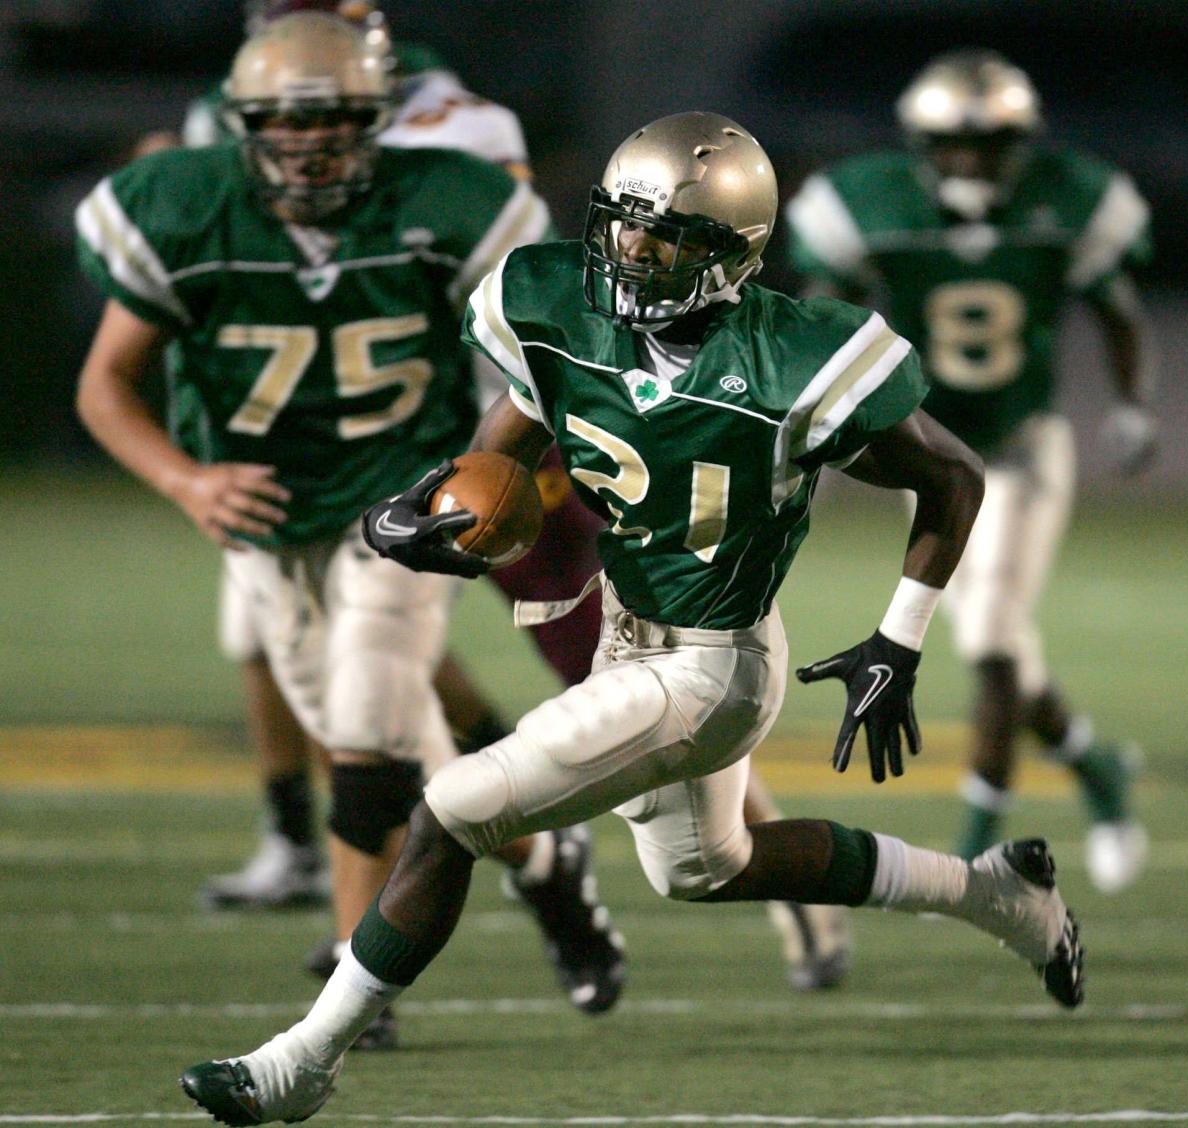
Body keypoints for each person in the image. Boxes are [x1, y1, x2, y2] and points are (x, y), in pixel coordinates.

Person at [180, 111, 1085, 1126]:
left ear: (730, 254)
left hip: (712, 668)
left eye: (664, 237)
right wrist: (429, 509)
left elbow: (954, 476)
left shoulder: (798, 358)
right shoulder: (558, 311)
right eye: (621, 225)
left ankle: (304, 1061)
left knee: (451, 812)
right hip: (630, 631)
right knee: (708, 868)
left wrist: (901, 637)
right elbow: (499, 457)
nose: (631, 252)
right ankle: (996, 893)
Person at [165, 0, 852, 989]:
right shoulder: (233, 118)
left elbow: (543, 289)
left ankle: (780, 892)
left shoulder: (457, 125)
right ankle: (504, 837)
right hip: (340, 452)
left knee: (606, 685)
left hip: (501, 443)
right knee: (378, 677)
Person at [74, 12, 627, 1048]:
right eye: (287, 124)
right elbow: (106, 386)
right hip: (267, 511)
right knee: (384, 729)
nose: (311, 145)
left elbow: (533, 350)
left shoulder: (448, 201)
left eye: (334, 122)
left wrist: (481, 468)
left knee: (370, 723)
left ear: (377, 121)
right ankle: (549, 864)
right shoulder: (183, 207)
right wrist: (189, 483)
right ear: (242, 126)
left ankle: (350, 984)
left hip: (399, 496)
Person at [785, 49, 1154, 892]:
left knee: (989, 638)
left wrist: (1135, 404)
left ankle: (976, 845)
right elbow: (816, 313)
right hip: (929, 450)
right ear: (921, 142)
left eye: (991, 144)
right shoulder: (870, 203)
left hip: (1022, 445)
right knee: (1000, 642)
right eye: (955, 144)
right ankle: (1095, 769)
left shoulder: (1071, 198)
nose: (973, 162)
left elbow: (1118, 308)